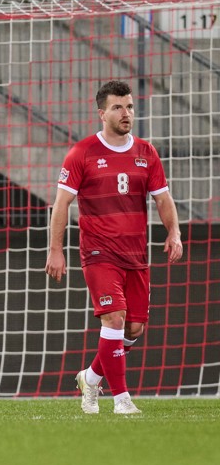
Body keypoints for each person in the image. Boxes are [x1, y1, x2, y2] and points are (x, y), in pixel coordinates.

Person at [45, 80, 183, 415]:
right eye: (118, 107)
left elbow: (163, 199)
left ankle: (90, 378)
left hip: (136, 254)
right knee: (115, 318)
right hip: (99, 253)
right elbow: (61, 204)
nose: (126, 113)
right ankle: (122, 400)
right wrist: (55, 249)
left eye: (130, 107)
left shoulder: (146, 153)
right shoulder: (82, 153)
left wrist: (174, 232)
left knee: (133, 329)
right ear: (102, 113)